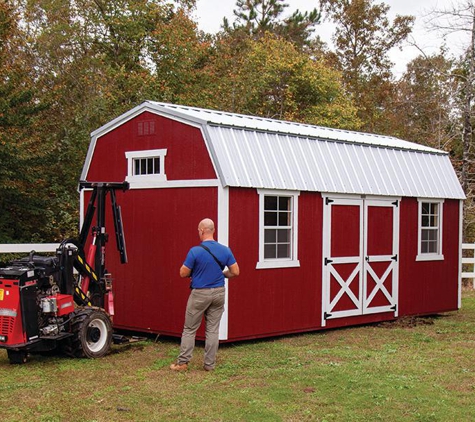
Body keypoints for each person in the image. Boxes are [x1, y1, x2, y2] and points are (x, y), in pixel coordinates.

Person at [170, 218, 240, 372]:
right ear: (213, 230)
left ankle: (183, 363)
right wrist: (222, 274)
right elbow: (235, 271)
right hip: (219, 293)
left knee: (190, 329)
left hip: (200, 293)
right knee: (212, 330)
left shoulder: (195, 251)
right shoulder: (225, 250)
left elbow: (183, 273)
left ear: (201, 230)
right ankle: (209, 364)